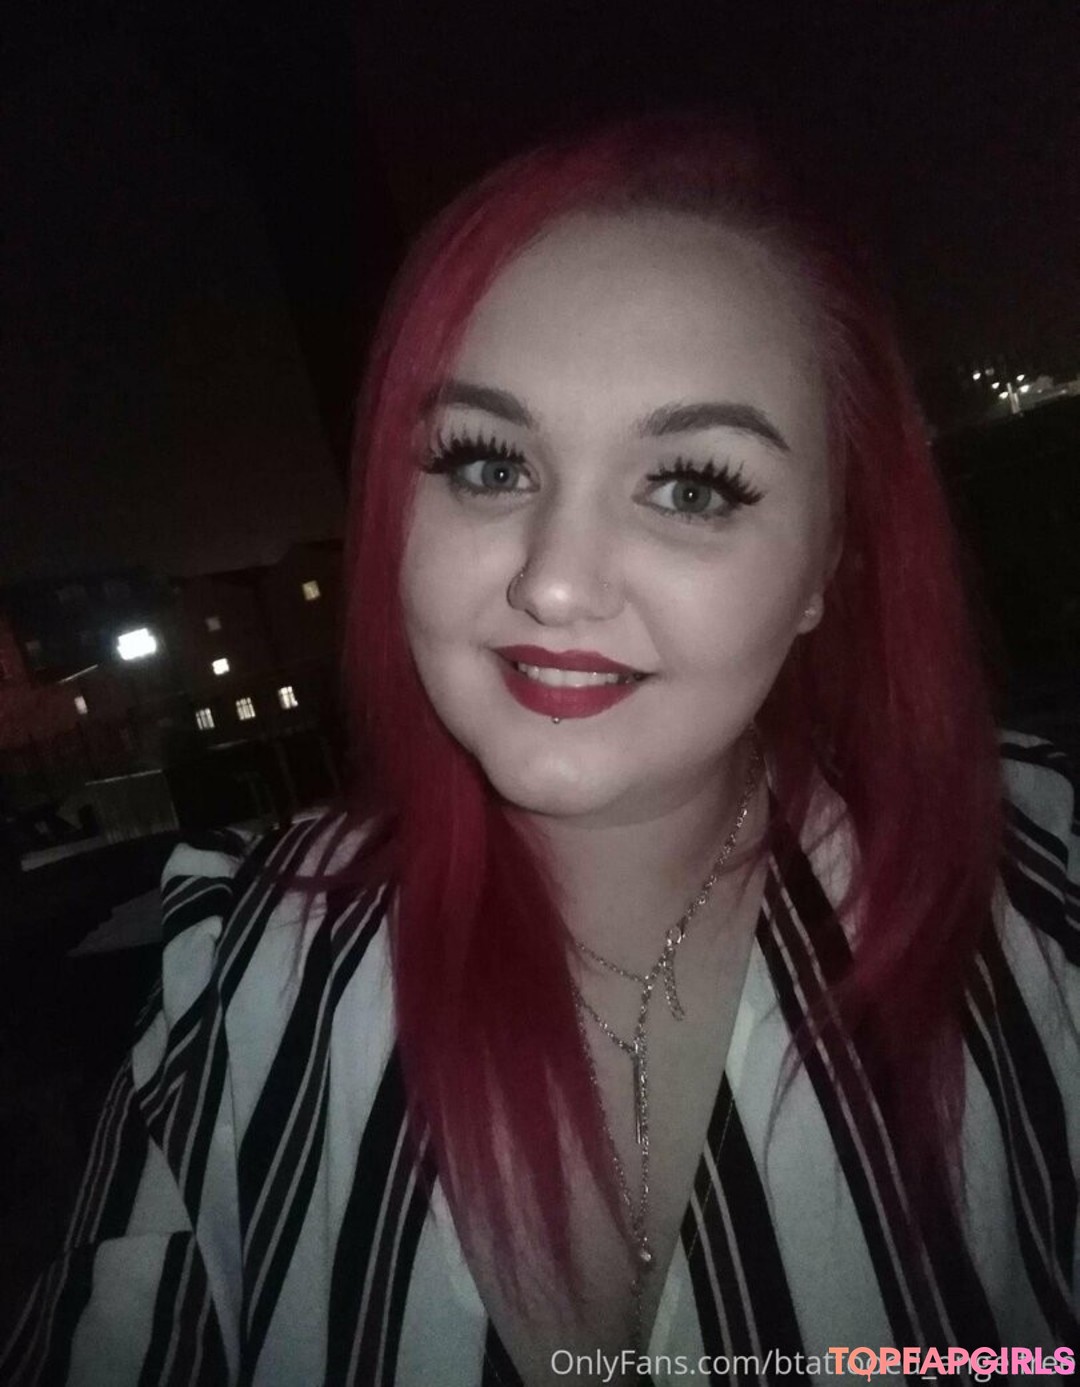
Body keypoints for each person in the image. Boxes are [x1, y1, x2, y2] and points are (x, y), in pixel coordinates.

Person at [3, 113, 1078, 1387]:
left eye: (692, 486)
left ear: (824, 571)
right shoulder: (249, 968)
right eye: (488, 464)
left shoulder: (1040, 901)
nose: (556, 583)